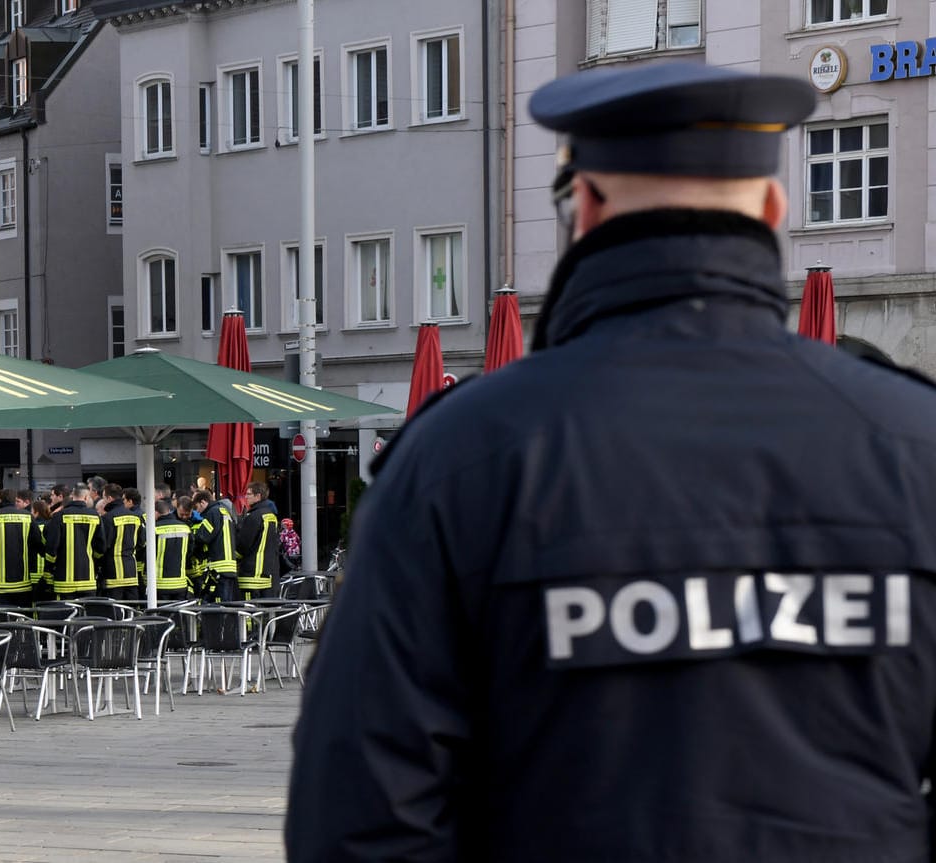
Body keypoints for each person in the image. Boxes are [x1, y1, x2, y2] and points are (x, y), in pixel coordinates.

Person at [285, 63, 936, 862]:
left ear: (584, 207)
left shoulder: (461, 454)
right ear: (773, 208)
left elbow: (358, 807)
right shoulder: (914, 442)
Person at [0, 488, 40, 607]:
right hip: (23, 582)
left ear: (0, 499)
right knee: (22, 619)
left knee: (1, 620)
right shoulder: (27, 516)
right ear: (15, 500)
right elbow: (38, 544)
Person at [45, 483, 104, 599]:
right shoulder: (95, 516)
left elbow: (52, 547)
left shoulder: (59, 516)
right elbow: (101, 547)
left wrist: (49, 570)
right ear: (86, 498)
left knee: (67, 615)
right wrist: (94, 561)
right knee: (86, 615)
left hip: (63, 580)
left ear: (72, 497)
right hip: (88, 579)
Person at [233, 481, 279, 600]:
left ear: (258, 496)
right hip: (267, 573)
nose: (246, 497)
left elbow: (243, 544)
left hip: (251, 574)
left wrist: (234, 558)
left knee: (248, 612)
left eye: (249, 494)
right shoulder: (271, 516)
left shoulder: (253, 516)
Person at [98, 483, 143, 601]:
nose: (103, 502)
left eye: (103, 498)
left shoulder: (107, 518)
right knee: (132, 610)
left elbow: (103, 546)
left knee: (115, 611)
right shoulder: (135, 517)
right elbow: (141, 543)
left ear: (109, 498)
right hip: (132, 572)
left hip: (113, 574)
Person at [190, 490, 237, 602]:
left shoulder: (212, 512)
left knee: (218, 604)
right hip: (230, 564)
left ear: (202, 502)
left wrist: (192, 535)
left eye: (197, 507)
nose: (198, 512)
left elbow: (203, 536)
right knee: (227, 603)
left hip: (218, 566)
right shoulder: (224, 511)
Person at [151, 499, 192, 603]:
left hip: (160, 584)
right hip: (181, 583)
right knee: (178, 616)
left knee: (162, 616)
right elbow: (190, 551)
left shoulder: (154, 528)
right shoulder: (185, 527)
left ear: (155, 512)